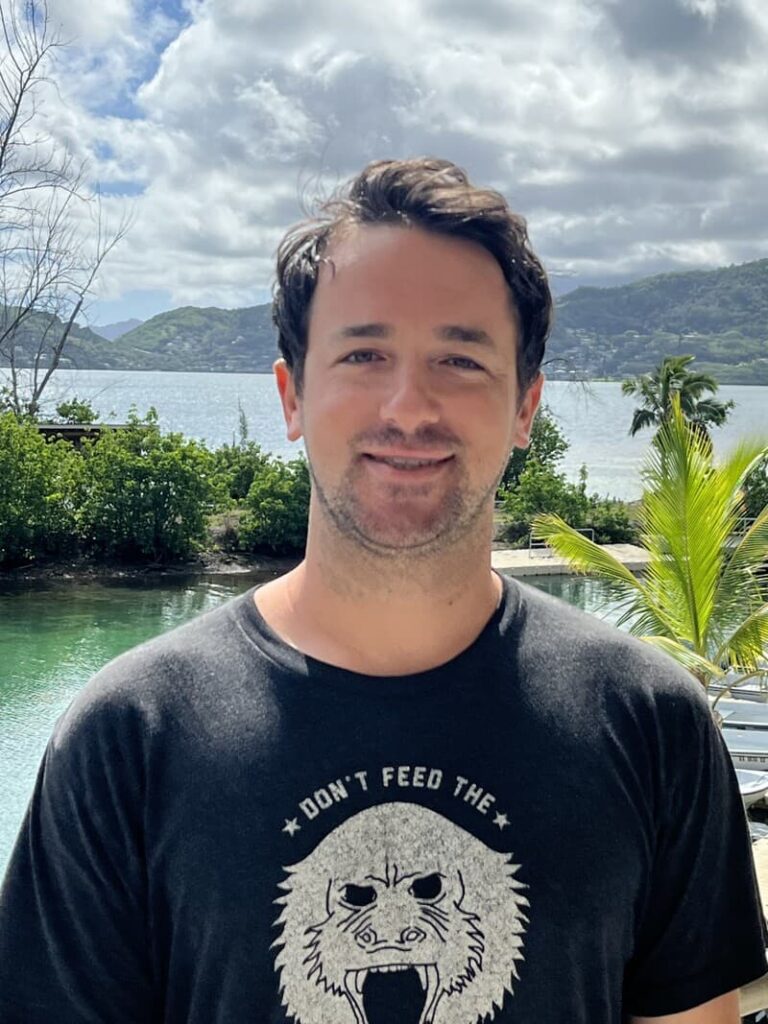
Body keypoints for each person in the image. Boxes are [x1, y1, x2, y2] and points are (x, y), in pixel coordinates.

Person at [0, 157, 765, 1024]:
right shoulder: (128, 738)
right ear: (292, 396)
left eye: (460, 359)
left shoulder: (651, 720)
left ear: (526, 408)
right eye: (364, 354)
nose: (408, 406)